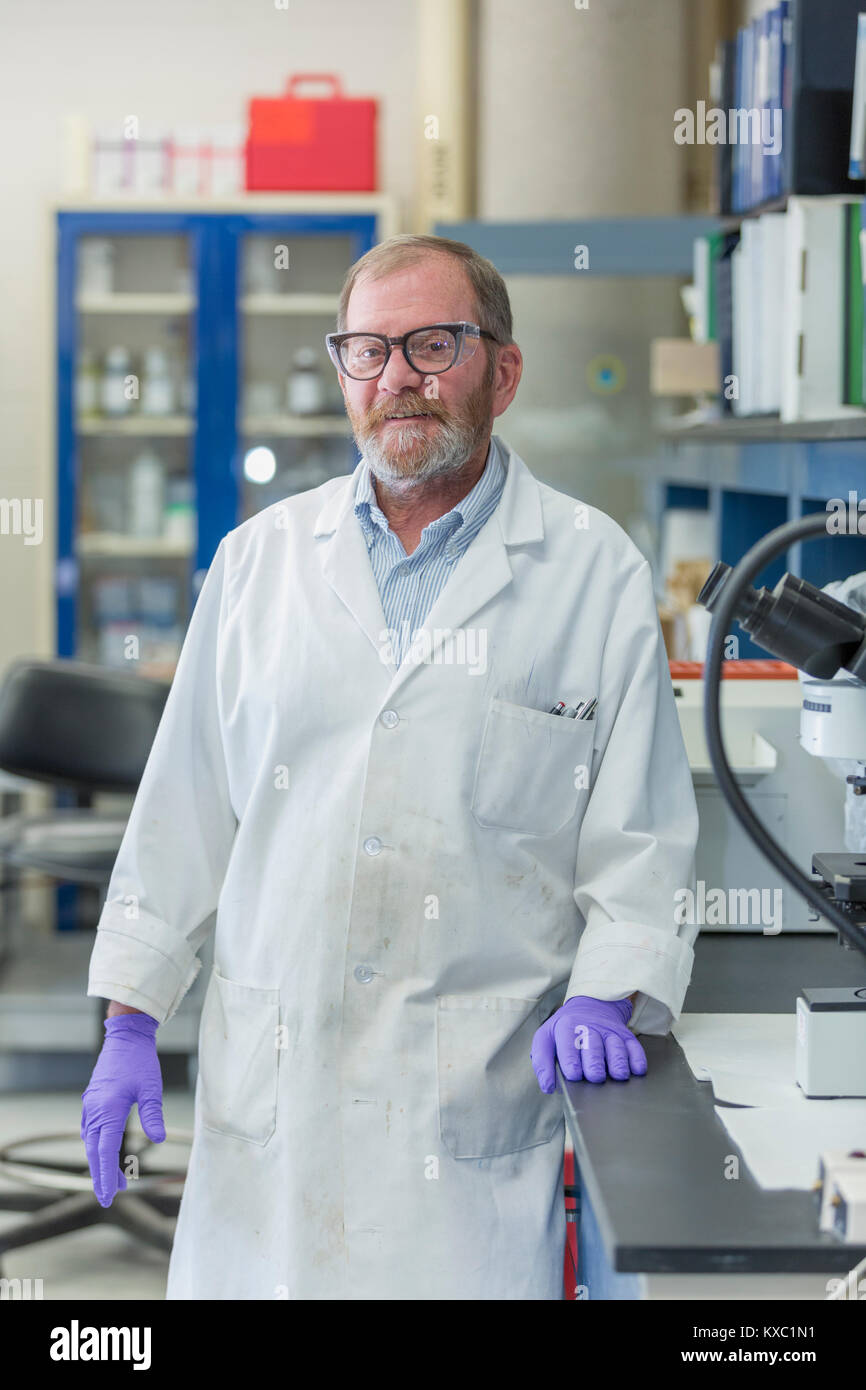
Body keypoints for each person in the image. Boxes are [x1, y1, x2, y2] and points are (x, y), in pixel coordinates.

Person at [82, 233, 699, 1300]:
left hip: (468, 1116)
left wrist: (610, 993)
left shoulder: (591, 573)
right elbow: (180, 817)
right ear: (341, 373)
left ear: (501, 370)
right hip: (276, 1111)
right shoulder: (258, 566)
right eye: (366, 350)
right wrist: (130, 1022)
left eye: (431, 343)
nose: (397, 377)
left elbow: (639, 837)